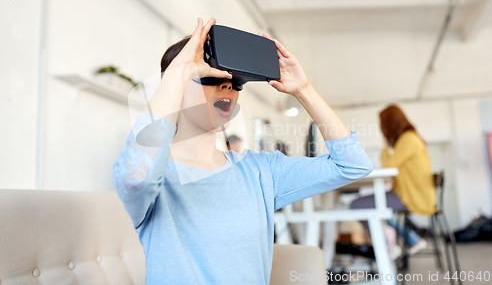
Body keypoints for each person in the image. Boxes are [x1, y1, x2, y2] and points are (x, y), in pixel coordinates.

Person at [112, 17, 373, 284]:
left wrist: (303, 90)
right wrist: (178, 72)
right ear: (175, 86)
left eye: (236, 81)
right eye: (208, 76)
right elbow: (135, 176)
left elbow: (353, 165)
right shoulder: (156, 176)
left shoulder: (260, 171)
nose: (227, 85)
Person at [351, 105, 435, 257]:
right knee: (377, 206)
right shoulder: (408, 139)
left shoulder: (408, 139)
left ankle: (387, 248)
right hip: (407, 194)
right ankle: (408, 240)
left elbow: (388, 166)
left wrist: (384, 147)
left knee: (356, 205)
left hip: (411, 197)